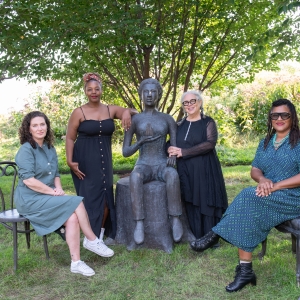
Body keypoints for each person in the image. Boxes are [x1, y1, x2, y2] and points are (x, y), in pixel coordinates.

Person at [190, 98, 300, 292]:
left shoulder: (298, 141)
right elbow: (255, 170)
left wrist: (274, 186)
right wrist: (264, 181)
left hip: (293, 196)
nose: (279, 118)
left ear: (293, 117)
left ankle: (216, 234)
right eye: (275, 115)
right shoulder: (265, 142)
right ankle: (246, 271)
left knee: (248, 196)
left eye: (285, 115)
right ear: (270, 118)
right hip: (268, 194)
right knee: (247, 209)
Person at [14, 111, 114, 277]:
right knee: (76, 202)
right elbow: (29, 181)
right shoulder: (26, 150)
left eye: (42, 124)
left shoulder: (49, 148)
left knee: (73, 218)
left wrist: (58, 189)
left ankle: (76, 263)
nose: (40, 128)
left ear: (47, 126)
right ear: (28, 129)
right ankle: (91, 239)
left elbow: (56, 175)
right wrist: (53, 192)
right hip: (29, 199)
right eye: (35, 125)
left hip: (47, 195)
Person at [66, 72, 137, 253]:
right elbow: (69, 138)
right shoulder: (78, 112)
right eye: (90, 90)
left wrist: (127, 112)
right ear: (85, 92)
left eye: (97, 89)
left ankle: (97, 237)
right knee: (89, 199)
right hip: (84, 162)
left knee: (106, 198)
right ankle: (91, 237)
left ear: (102, 90)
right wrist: (69, 160)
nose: (94, 92)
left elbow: (130, 111)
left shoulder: (109, 109)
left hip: (105, 161)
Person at [122, 78, 183, 245]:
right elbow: (126, 152)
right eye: (146, 92)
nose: (149, 95)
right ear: (141, 95)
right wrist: (141, 141)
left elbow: (175, 146)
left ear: (158, 95)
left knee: (172, 175)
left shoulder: (167, 119)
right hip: (143, 164)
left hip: (162, 163)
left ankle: (175, 218)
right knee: (135, 177)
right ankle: (139, 223)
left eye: (153, 92)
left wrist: (172, 158)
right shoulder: (135, 120)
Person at [168, 90, 228, 240]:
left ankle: (210, 236)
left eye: (192, 101)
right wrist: (169, 148)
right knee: (190, 199)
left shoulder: (208, 122)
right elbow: (170, 143)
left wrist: (184, 152)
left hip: (205, 169)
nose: (189, 105)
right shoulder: (179, 124)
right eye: (186, 103)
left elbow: (209, 143)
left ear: (199, 102)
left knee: (205, 199)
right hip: (185, 170)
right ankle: (196, 234)